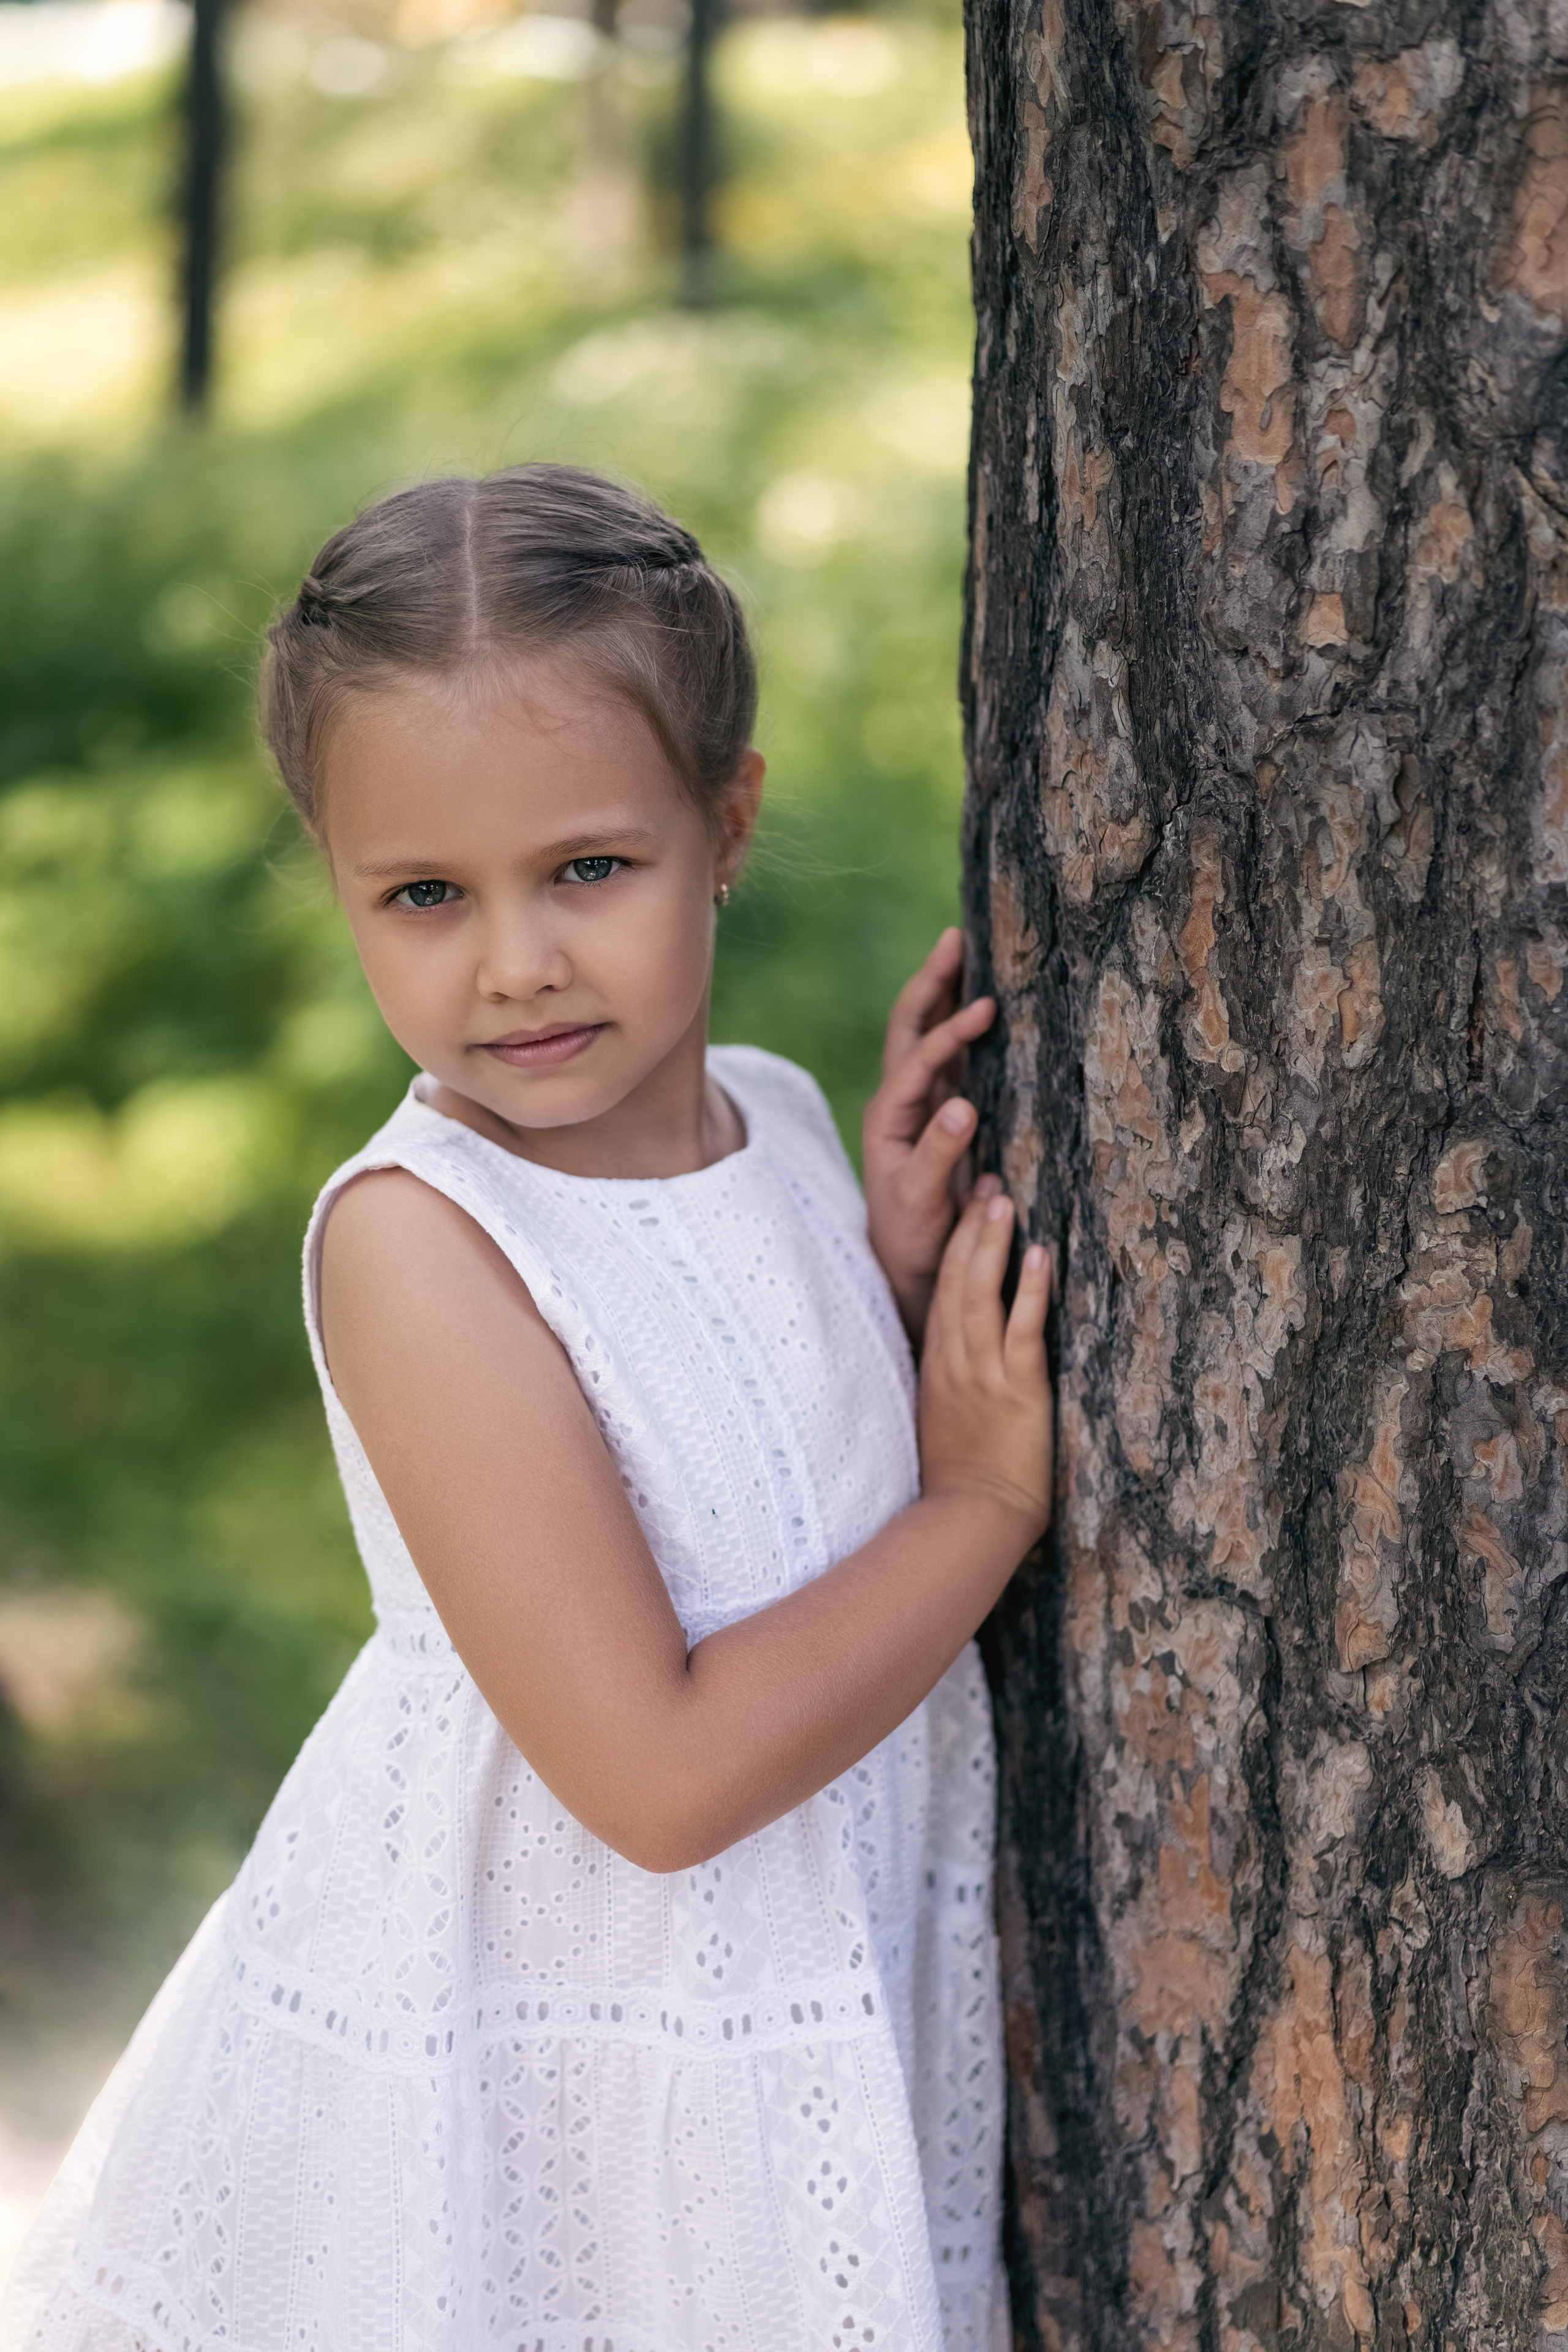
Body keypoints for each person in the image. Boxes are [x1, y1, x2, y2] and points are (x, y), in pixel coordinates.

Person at [6, 464, 1053, 2352]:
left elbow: (768, 1499)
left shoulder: (776, 1116)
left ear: (726, 825)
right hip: (563, 2066)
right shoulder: (423, 1245)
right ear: (338, 880)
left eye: (588, 869)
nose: (516, 963)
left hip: (781, 1997)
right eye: (425, 895)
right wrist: (980, 1507)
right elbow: (657, 1773)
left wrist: (887, 1287)